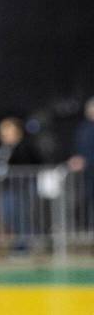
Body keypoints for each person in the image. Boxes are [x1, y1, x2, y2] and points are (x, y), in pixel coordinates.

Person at [0, 117, 40, 253]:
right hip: (6, 187)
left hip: (22, 186)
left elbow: (33, 162)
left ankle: (24, 245)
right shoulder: (1, 148)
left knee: (23, 215)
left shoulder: (26, 146)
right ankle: (18, 243)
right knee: (9, 216)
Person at [67, 96, 94, 228]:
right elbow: (76, 148)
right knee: (86, 204)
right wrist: (75, 159)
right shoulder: (82, 128)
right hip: (85, 176)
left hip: (90, 170)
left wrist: (87, 161)